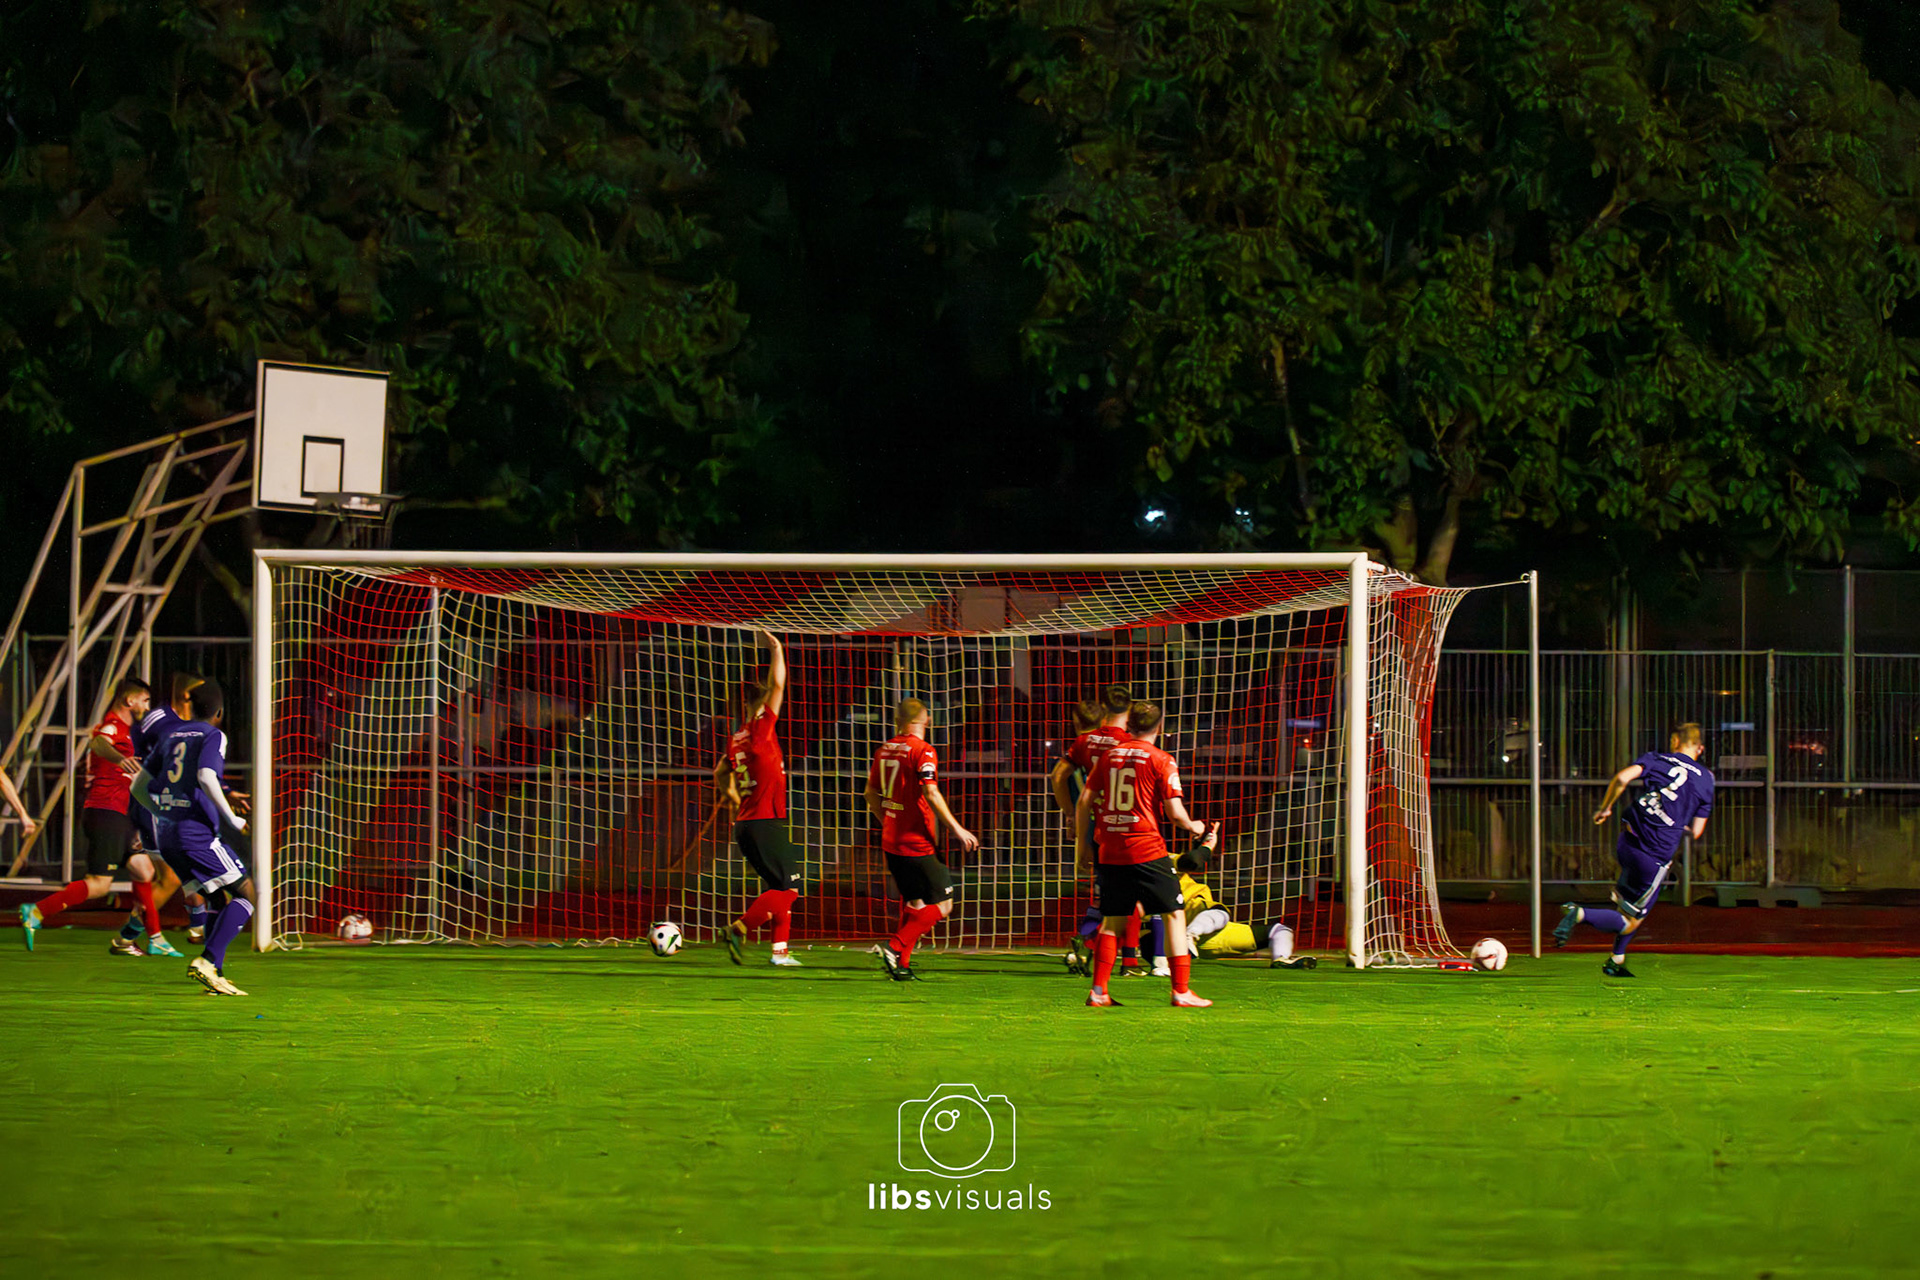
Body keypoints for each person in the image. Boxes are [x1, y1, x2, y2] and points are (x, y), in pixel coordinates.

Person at [16, 678, 179, 956]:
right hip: (106, 814)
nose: (148, 707)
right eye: (145, 700)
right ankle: (37, 912)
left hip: (120, 814)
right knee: (99, 885)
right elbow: (99, 744)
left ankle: (151, 938)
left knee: (144, 869)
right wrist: (118, 758)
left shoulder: (129, 731)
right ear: (130, 701)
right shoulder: (112, 726)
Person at [1075, 700, 1214, 1008]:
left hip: (1110, 848)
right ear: (1159, 727)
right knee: (1175, 913)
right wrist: (1195, 825)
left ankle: (1099, 991)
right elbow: (1176, 814)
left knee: (1112, 920)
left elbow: (1084, 801)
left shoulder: (1108, 756)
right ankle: (1181, 991)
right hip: (1145, 848)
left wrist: (1083, 847)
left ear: (1129, 726)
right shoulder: (1162, 759)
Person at [1554, 722, 1716, 978]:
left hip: (1627, 842)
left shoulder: (1658, 758)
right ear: (1701, 748)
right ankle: (1580, 914)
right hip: (1654, 855)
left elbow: (1621, 778)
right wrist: (1674, 824)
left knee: (1634, 907)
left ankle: (1616, 959)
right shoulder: (1706, 778)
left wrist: (1605, 808)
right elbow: (1696, 831)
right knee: (1631, 920)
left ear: (1675, 742)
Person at [131, 679, 253, 995]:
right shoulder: (213, 734)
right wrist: (233, 818)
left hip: (168, 835)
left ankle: (215, 974)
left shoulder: (172, 734)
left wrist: (162, 814)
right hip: (195, 835)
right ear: (219, 712)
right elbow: (205, 775)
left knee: (214, 897)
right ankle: (208, 961)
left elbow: (138, 787)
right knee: (248, 893)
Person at [866, 698, 980, 980]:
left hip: (891, 840)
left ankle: (901, 964)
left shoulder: (884, 750)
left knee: (915, 903)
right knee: (944, 904)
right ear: (926, 719)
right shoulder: (923, 750)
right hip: (917, 843)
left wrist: (889, 820)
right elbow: (931, 792)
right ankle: (895, 947)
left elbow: (870, 794)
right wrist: (957, 828)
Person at [713, 631, 803, 968]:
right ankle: (739, 928)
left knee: (778, 889)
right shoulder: (761, 726)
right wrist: (777, 649)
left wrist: (734, 798)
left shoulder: (736, 738)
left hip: (748, 824)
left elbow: (720, 772)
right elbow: (777, 686)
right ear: (759, 702)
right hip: (765, 822)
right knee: (790, 889)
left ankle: (779, 953)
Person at [1054, 685, 1148, 978]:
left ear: (1104, 709)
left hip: (1097, 827)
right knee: (1132, 897)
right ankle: (1098, 950)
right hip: (1128, 827)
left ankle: (1108, 952)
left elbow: (1057, 777)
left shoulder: (1085, 742)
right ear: (1129, 710)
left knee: (1112, 895)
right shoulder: (1132, 742)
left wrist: (1070, 814)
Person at [120, 672, 210, 946]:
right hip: (153, 806)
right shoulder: (164, 723)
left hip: (163, 806)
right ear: (187, 697)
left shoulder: (175, 722)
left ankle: (198, 925)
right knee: (170, 878)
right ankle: (126, 937)